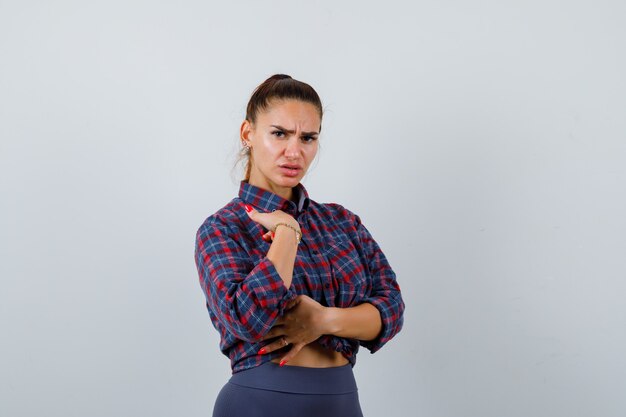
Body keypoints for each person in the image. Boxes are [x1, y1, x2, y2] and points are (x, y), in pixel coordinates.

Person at [194, 74, 404, 417]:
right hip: (260, 403)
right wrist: (287, 233)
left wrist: (324, 319)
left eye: (308, 137)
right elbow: (248, 320)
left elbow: (391, 310)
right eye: (279, 133)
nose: (294, 151)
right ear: (248, 134)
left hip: (342, 402)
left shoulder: (341, 222)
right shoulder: (223, 228)